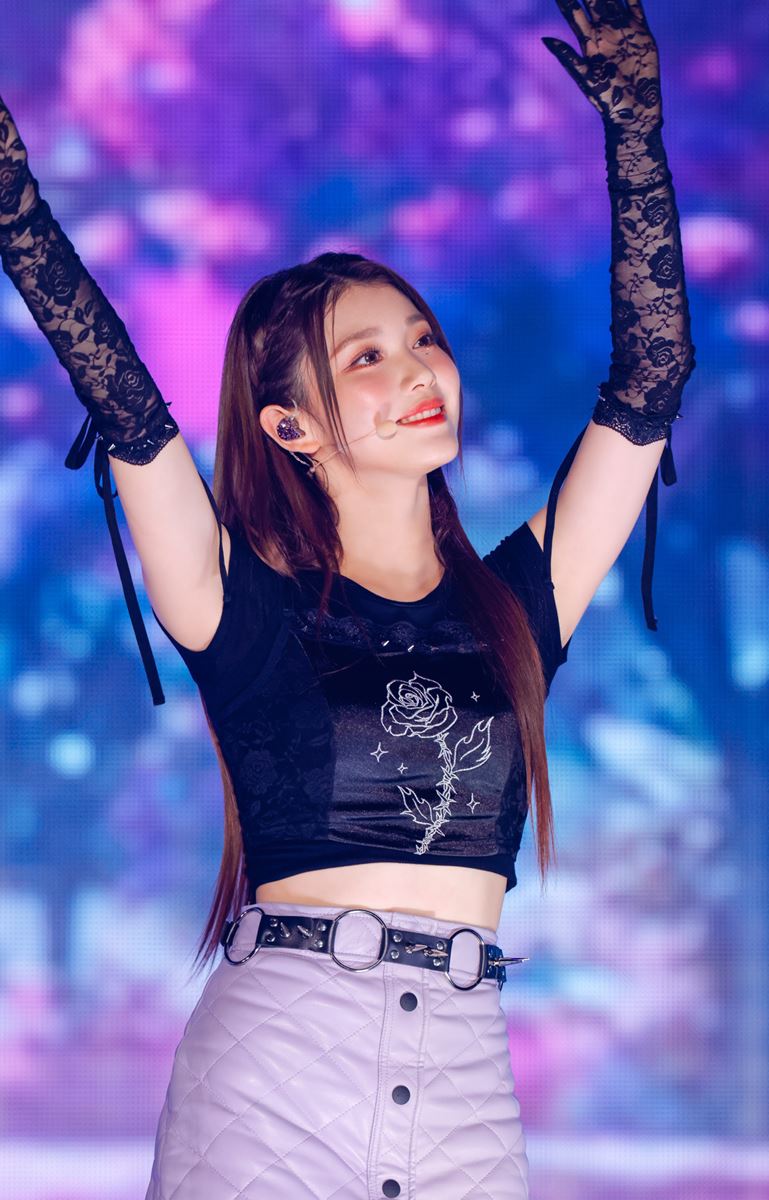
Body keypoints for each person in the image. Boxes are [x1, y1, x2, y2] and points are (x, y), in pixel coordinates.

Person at [0, 1, 695, 1196]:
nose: (419, 370)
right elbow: (128, 410)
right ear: (290, 427)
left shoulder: (516, 605)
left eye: (422, 339)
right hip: (275, 1078)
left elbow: (650, 381)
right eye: (366, 358)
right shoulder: (240, 608)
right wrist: (15, 203)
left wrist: (635, 129)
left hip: (468, 1091)